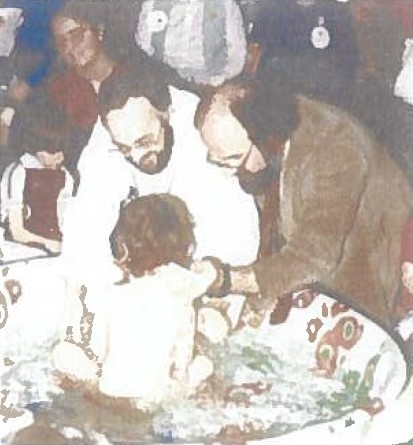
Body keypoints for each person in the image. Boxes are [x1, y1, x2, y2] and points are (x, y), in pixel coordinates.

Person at [195, 78, 413, 329]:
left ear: (267, 139)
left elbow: (313, 257)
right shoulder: (268, 137)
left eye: (234, 159)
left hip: (376, 267)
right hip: (322, 263)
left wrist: (225, 279)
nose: (228, 173)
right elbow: (276, 227)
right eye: (217, 160)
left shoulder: (336, 149)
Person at [54, 194, 217, 407]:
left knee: (66, 355)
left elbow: (94, 359)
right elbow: (180, 368)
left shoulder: (113, 297)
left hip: (114, 397)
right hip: (162, 397)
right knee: (202, 365)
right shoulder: (184, 294)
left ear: (123, 249)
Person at [0, 92, 74, 254]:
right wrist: (47, 243)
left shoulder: (65, 176)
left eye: (61, 151)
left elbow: (63, 219)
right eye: (51, 152)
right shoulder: (18, 172)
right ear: (34, 147)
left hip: (53, 247)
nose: (57, 158)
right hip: (18, 248)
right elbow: (16, 231)